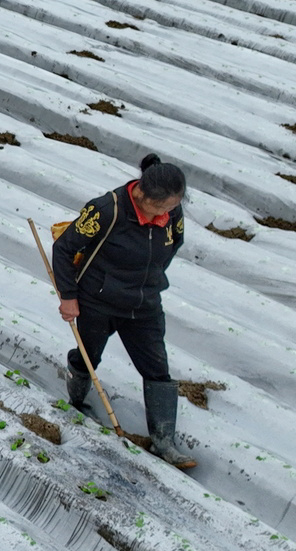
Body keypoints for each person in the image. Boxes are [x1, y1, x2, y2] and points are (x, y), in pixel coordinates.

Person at [53, 153, 196, 469]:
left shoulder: (172, 212)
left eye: (172, 206)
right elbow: (64, 248)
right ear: (142, 195)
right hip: (98, 301)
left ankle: (164, 442)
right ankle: (77, 401)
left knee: (157, 367)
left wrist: (149, 278)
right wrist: (69, 296)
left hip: (144, 303)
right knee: (89, 354)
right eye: (161, 207)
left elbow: (174, 244)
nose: (168, 212)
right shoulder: (106, 210)